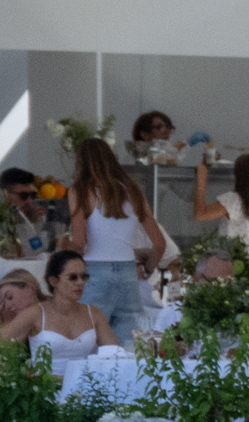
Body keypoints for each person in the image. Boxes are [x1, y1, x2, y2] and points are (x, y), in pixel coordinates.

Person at [66, 137, 166, 342]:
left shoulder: (80, 190)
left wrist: (62, 251)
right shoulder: (133, 191)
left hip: (94, 270)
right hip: (128, 272)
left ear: (80, 162)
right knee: (128, 344)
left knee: (90, 340)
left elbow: (79, 242)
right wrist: (147, 270)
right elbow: (159, 244)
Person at [1, 251, 116, 374]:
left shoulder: (93, 313)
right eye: (73, 277)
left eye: (84, 277)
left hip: (84, 388)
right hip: (46, 390)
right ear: (53, 281)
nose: (80, 282)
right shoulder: (35, 314)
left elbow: (114, 354)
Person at [191, 153, 249, 252]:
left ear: (238, 176)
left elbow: (200, 214)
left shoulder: (233, 200)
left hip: (232, 261)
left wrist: (201, 181)